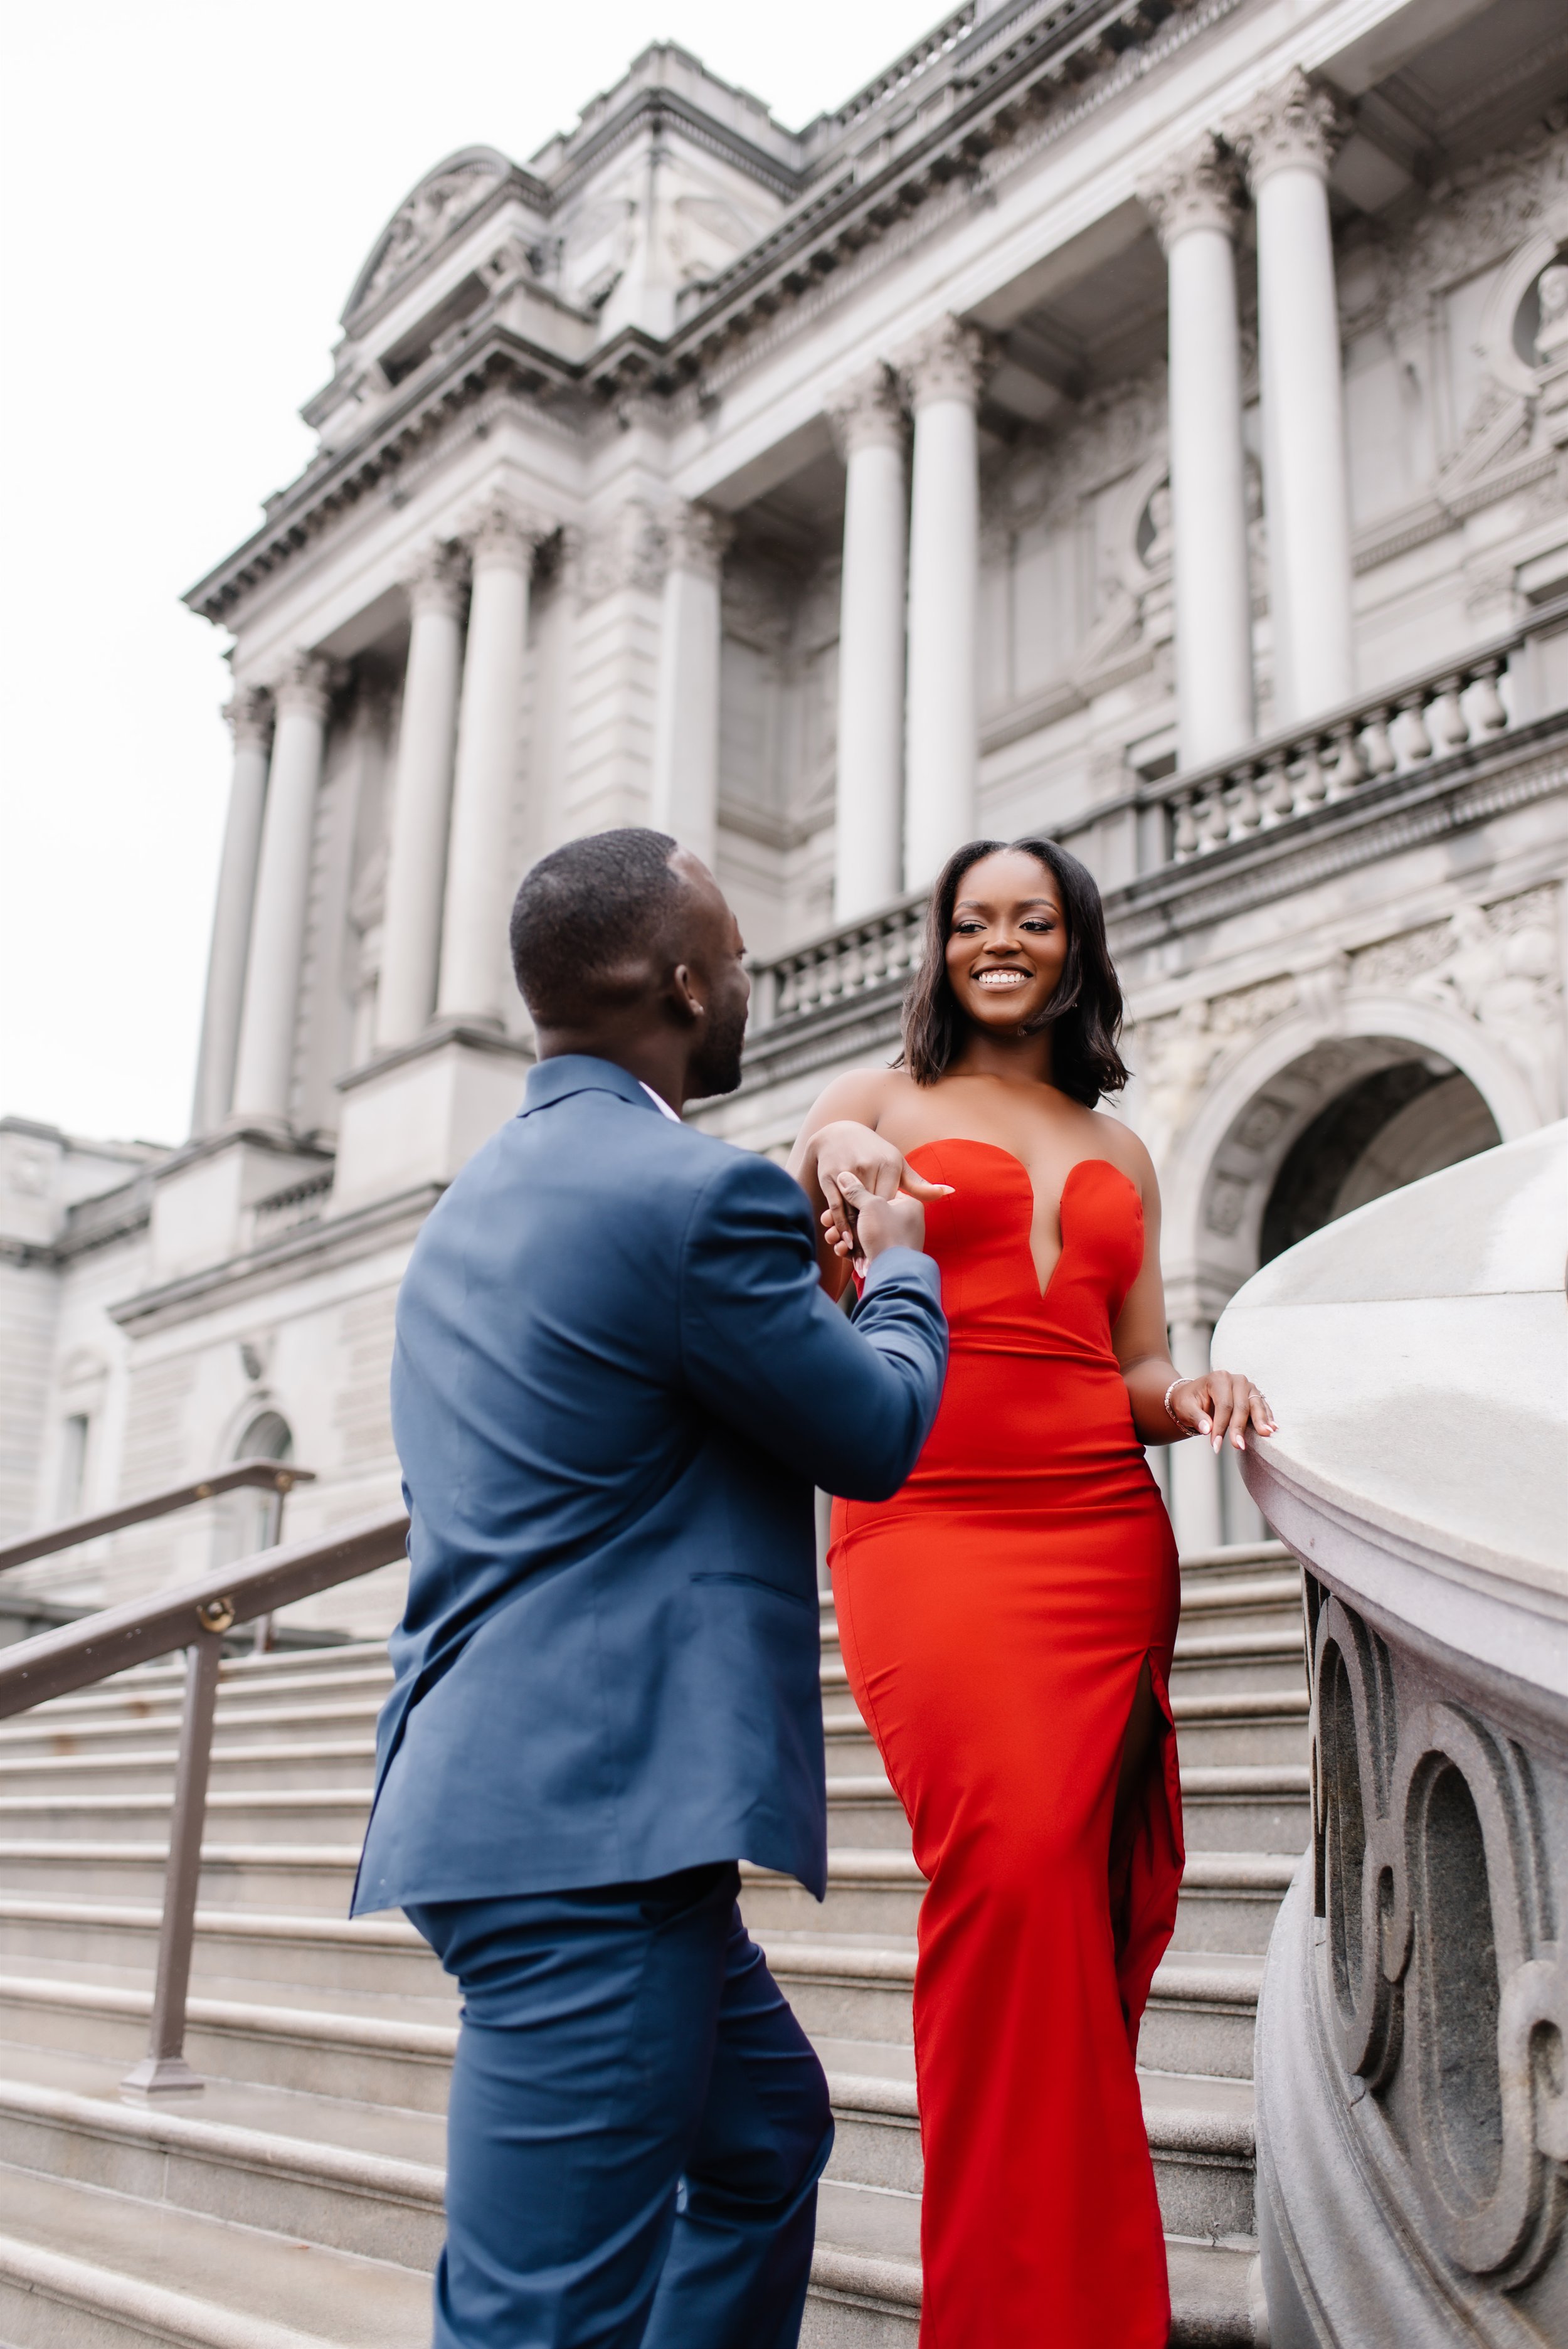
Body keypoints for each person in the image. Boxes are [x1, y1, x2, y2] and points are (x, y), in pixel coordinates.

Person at [352, 828, 949, 2349]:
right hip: (588, 1836)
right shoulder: (695, 1198)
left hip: (512, 1797)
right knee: (533, 2321)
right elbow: (872, 1433)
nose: (751, 975)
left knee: (763, 2144)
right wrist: (894, 1265)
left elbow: (616, 1428)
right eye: (738, 952)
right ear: (685, 985)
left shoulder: (468, 1212)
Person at [788, 835, 1274, 2349]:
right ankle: (1016, 2304)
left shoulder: (1118, 1148)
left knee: (1064, 1896)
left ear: (1074, 946)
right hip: (926, 1518)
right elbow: (797, 1178)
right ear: (933, 943)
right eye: (971, 920)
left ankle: (1062, 2294)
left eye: (1033, 920)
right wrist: (845, 1167)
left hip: (1102, 1537)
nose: (1000, 942)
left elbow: (1122, 1362)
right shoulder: (875, 1098)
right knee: (1002, 1875)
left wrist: (1191, 1392)